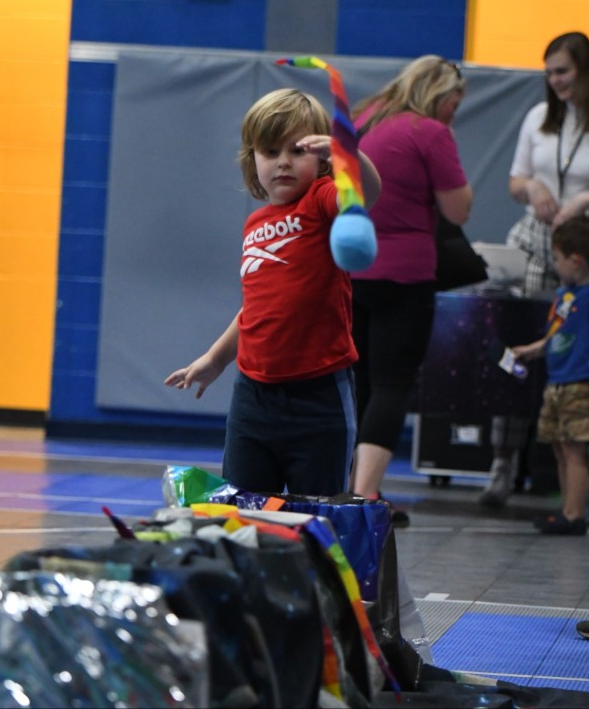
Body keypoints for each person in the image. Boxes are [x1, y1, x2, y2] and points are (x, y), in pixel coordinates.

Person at [165, 88, 381, 496]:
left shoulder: (321, 201)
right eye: (270, 151)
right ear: (253, 161)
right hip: (252, 399)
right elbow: (255, 307)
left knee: (316, 514)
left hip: (319, 399)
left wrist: (346, 156)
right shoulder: (256, 225)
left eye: (297, 150)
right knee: (243, 510)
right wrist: (215, 359)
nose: (283, 161)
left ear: (319, 160)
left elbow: (367, 194)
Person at [347, 56, 473, 523]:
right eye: (453, 106)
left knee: (357, 382)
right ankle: (367, 494)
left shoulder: (364, 118)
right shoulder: (430, 132)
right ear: (439, 95)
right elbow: (458, 211)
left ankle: (346, 488)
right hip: (406, 275)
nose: (452, 116)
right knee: (392, 383)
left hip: (355, 267)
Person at [480, 31, 589, 507]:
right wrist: (532, 189)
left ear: (585, 70)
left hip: (586, 248)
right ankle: (503, 460)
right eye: (548, 73)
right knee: (523, 339)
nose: (554, 81)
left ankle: (576, 472)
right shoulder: (537, 119)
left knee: (584, 351)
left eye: (562, 71)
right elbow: (514, 181)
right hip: (536, 239)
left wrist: (587, 199)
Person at [509, 215, 589, 535]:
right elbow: (557, 334)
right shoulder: (565, 295)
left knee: (575, 448)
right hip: (557, 379)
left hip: (581, 382)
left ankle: (574, 514)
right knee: (560, 446)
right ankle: (566, 510)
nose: (555, 266)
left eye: (557, 260)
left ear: (576, 261)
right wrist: (533, 350)